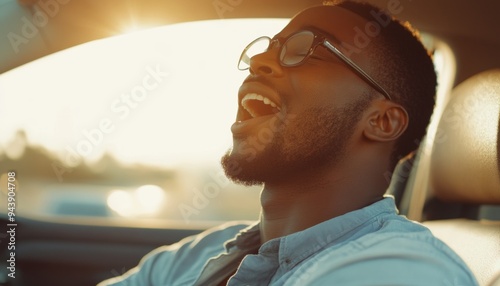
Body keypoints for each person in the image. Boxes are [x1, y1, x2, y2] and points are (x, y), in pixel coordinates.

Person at [99, 1, 478, 285]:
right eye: (267, 47)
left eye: (306, 48)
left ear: (381, 121)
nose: (259, 60)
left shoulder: (399, 271)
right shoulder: (201, 253)